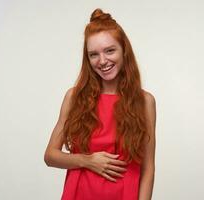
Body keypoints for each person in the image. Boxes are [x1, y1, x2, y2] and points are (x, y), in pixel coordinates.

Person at [44, 8, 157, 200]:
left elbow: (148, 169)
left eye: (110, 50)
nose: (102, 61)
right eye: (93, 54)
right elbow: (50, 156)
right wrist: (87, 161)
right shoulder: (74, 97)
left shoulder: (145, 101)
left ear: (124, 51)